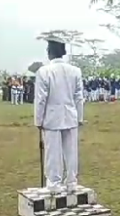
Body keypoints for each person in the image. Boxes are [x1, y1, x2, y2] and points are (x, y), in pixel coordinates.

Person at [34, 37, 84, 194]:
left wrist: (38, 119)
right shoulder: (75, 71)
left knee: (53, 151)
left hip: (52, 117)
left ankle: (54, 183)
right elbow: (79, 97)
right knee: (71, 151)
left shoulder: (44, 72)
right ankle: (71, 182)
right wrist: (80, 117)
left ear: (49, 53)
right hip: (71, 115)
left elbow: (41, 99)